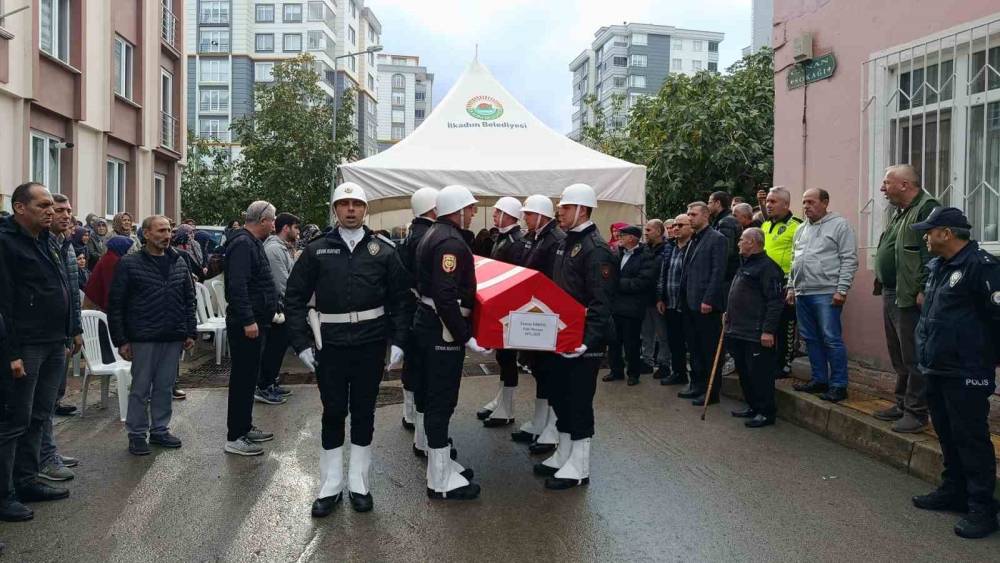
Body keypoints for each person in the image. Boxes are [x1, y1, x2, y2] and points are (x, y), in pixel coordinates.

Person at [285, 182, 412, 516]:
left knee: (364, 412)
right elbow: (294, 298)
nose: (351, 209)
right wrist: (301, 343)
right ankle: (330, 483)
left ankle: (359, 481)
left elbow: (400, 300)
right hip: (331, 345)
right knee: (333, 411)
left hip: (370, 344)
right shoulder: (316, 250)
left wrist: (399, 341)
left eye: (357, 204)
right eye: (345, 204)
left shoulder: (383, 250)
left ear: (365, 209)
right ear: (336, 209)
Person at [909, 206, 999, 539]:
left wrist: (983, 358)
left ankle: (982, 508)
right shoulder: (939, 267)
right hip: (937, 366)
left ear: (946, 233)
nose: (925, 236)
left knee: (971, 438)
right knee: (947, 434)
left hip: (967, 369)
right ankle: (954, 490)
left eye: (929, 231)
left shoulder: (981, 267)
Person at [533, 183, 616, 490]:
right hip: (563, 334)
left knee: (579, 400)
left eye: (566, 207)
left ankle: (579, 465)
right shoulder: (567, 242)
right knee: (562, 396)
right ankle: (564, 453)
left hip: (583, 339)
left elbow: (601, 301)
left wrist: (588, 341)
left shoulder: (596, 249)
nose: (560, 212)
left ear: (582, 209)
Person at [0, 182, 72, 516]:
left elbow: (61, 287)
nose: (51, 211)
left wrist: (69, 332)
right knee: (14, 420)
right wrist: (11, 352)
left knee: (40, 416)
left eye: (51, 206)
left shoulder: (46, 242)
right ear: (20, 208)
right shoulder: (6, 243)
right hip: (25, 346)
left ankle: (27, 480)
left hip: (53, 342)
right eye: (43, 206)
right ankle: (5, 494)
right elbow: (4, 305)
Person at [411, 185, 486, 500]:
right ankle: (439, 480)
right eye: (470, 209)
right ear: (457, 210)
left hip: (428, 325)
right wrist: (465, 335)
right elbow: (445, 295)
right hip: (441, 330)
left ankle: (439, 465)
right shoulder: (451, 242)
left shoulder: (433, 234)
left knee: (432, 400)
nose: (472, 214)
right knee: (441, 401)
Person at [108, 216, 196, 456]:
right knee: (140, 388)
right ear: (146, 234)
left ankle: (159, 429)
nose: (166, 235)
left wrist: (190, 331)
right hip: (144, 336)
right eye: (160, 231)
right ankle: (136, 433)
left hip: (173, 335)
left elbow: (189, 298)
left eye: (168, 230)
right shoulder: (129, 263)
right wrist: (122, 340)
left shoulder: (179, 261)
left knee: (165, 386)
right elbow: (116, 304)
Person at [873, 164, 939, 434]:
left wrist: (925, 287)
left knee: (914, 356)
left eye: (886, 183)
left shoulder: (927, 207)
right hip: (892, 291)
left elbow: (933, 251)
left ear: (904, 184)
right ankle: (901, 403)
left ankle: (916, 412)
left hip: (911, 295)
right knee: (899, 355)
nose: (881, 188)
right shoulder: (901, 212)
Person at [789, 189, 858, 403]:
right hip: (803, 292)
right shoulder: (801, 229)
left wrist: (842, 289)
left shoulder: (840, 225)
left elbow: (849, 258)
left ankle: (838, 385)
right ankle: (819, 379)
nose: (806, 206)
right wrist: (791, 287)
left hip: (827, 292)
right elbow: (794, 259)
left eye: (811, 202)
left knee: (831, 339)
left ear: (825, 202)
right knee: (810, 339)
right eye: (804, 202)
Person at [222, 201, 278, 456]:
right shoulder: (243, 243)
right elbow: (237, 286)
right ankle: (235, 436)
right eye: (273, 220)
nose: (275, 225)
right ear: (263, 220)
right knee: (243, 378)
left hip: (256, 320)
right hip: (247, 324)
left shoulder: (250, 241)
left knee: (248, 377)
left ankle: (243, 427)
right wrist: (248, 320)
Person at [511, 194, 566, 453]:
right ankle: (541, 420)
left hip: (546, 315)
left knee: (551, 372)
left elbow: (552, 280)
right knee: (540, 371)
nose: (525, 218)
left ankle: (552, 426)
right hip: (536, 312)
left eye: (529, 214)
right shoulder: (539, 238)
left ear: (541, 215)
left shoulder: (554, 240)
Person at [38, 193, 82, 482]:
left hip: (62, 334)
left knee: (53, 396)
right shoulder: (42, 245)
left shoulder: (64, 245)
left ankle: (47, 450)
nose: (66, 215)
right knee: (39, 402)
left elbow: (72, 292)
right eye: (59, 210)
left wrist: (75, 328)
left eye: (69, 210)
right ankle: (42, 457)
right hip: (42, 336)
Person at [725, 228, 784, 428]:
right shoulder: (745, 264)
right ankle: (752, 406)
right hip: (738, 329)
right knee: (745, 372)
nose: (738, 243)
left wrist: (768, 330)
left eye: (741, 240)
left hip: (756, 332)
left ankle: (766, 412)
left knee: (760, 374)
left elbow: (775, 302)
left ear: (752, 242)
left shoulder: (768, 268)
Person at [478, 197, 525, 427]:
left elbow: (514, 277)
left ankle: (507, 408)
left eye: (497, 212)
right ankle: (501, 400)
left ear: (508, 214)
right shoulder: (502, 237)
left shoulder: (516, 241)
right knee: (502, 357)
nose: (494, 216)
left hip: (510, 307)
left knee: (508, 358)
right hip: (499, 304)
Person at [676, 202, 728, 406]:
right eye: (688, 214)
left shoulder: (717, 239)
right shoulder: (692, 240)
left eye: (694, 214)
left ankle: (710, 392)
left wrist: (709, 299)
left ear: (705, 216)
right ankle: (696, 385)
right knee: (695, 348)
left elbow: (718, 272)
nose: (690, 218)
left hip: (706, 304)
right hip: (689, 302)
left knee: (708, 349)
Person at [398, 188, 437, 441]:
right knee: (422, 368)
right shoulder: (429, 236)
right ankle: (419, 425)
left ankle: (408, 412)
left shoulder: (413, 232)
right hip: (423, 308)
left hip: (408, 307)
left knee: (412, 363)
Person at [257, 212, 300, 406]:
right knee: (273, 349)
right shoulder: (274, 249)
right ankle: (264, 386)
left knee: (279, 348)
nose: (298, 232)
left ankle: (271, 381)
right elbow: (282, 283)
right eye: (296, 228)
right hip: (278, 308)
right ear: (286, 228)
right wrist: (296, 300)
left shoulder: (283, 248)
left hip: (283, 306)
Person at [606, 225, 657, 385]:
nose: (619, 237)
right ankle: (616, 371)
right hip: (615, 306)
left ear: (632, 238)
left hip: (632, 308)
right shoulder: (618, 254)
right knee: (614, 341)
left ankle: (633, 374)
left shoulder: (646, 256)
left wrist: (617, 283)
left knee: (631, 343)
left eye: (623, 235)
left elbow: (643, 282)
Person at [762, 187, 803, 379]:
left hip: (786, 283)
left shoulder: (797, 226)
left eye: (773, 202)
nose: (768, 205)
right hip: (764, 284)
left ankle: (784, 364)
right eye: (768, 201)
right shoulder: (765, 226)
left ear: (786, 205)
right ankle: (768, 361)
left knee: (785, 324)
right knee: (767, 325)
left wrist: (793, 285)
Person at [656, 215, 692, 386]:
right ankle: (678, 373)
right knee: (674, 341)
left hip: (686, 304)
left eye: (680, 225)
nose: (675, 228)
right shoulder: (671, 248)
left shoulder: (692, 248)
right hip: (669, 303)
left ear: (691, 227)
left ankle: (696, 379)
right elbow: (664, 274)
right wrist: (660, 297)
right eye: (674, 225)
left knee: (691, 343)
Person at [640, 219, 671, 378]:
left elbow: (664, 275)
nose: (645, 233)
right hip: (645, 298)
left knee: (662, 334)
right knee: (647, 333)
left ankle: (664, 363)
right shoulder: (644, 249)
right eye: (645, 230)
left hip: (659, 299)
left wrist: (661, 297)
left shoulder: (667, 250)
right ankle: (647, 361)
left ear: (659, 231)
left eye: (649, 230)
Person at [708, 191, 743, 283]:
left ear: (718, 203)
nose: (708, 206)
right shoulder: (721, 220)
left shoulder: (726, 222)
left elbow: (725, 251)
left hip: (728, 274)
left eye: (710, 202)